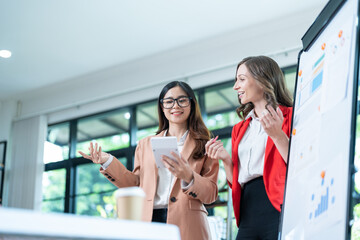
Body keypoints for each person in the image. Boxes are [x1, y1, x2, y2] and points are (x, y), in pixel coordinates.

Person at [79, 81, 219, 240]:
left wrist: (189, 176)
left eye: (182, 100)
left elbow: (211, 194)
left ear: (191, 103)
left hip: (188, 223)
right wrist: (108, 161)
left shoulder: (205, 144)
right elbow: (135, 184)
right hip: (149, 220)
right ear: (162, 107)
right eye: (169, 101)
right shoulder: (145, 145)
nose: (175, 106)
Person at [205, 56, 293, 240]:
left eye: (241, 79)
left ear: (262, 80)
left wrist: (277, 135)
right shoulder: (240, 128)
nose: (235, 86)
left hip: (279, 205)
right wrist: (227, 161)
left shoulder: (290, 116)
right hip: (247, 211)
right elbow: (236, 182)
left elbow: (299, 164)